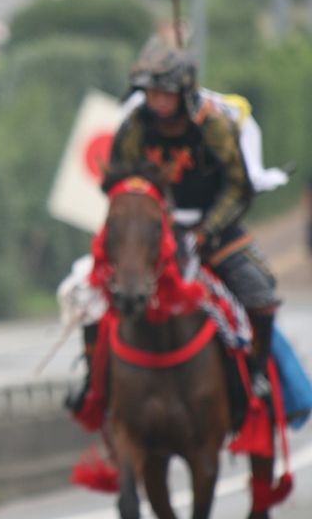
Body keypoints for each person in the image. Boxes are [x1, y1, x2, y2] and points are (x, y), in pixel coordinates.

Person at [66, 34, 280, 413]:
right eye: (150, 92)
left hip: (213, 230)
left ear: (183, 92)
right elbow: (118, 179)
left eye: (164, 92)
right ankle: (94, 382)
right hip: (151, 229)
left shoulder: (212, 126)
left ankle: (256, 375)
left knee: (259, 292)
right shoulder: (134, 126)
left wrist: (205, 230)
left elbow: (237, 186)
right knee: (88, 293)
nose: (157, 100)